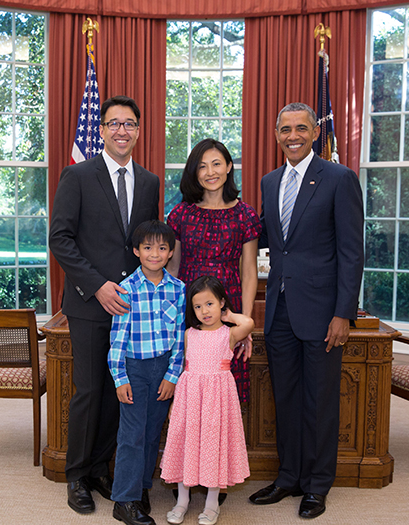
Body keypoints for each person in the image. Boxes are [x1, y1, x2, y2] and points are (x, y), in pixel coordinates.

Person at [249, 103, 364, 519]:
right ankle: (288, 477)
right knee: (287, 398)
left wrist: (342, 313)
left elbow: (352, 252)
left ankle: (317, 486)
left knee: (319, 401)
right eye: (285, 129)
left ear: (315, 132)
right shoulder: (269, 181)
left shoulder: (339, 178)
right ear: (276, 134)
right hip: (279, 309)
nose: (292, 135)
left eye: (300, 128)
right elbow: (264, 234)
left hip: (322, 313)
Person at [49, 96, 160, 514]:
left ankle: (99, 468)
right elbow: (60, 238)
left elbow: (146, 243)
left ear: (138, 130)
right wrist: (97, 286)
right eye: (113, 123)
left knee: (120, 395)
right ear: (101, 130)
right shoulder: (77, 175)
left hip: (133, 309)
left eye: (129, 124)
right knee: (90, 390)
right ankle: (76, 475)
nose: (121, 131)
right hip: (89, 303)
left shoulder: (148, 182)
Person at [166, 138, 261, 403]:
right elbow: (172, 269)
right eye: (202, 166)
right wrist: (172, 319)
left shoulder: (245, 215)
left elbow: (250, 272)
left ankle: (220, 441)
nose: (210, 172)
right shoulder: (181, 214)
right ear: (194, 173)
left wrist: (244, 324)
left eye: (217, 164)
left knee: (224, 379)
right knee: (188, 379)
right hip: (189, 307)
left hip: (227, 305)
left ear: (229, 167)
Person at [108, 220, 185, 525]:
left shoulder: (178, 290)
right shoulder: (125, 289)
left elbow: (180, 336)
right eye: (148, 247)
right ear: (137, 251)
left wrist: (172, 375)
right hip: (134, 369)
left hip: (162, 368)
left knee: (153, 433)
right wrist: (120, 377)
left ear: (170, 253)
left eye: (162, 248)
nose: (155, 253)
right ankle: (124, 500)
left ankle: (141, 488)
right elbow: (118, 338)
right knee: (132, 435)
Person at [161, 276, 253, 525]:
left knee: (215, 447)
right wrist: (173, 404)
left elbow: (249, 322)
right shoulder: (189, 334)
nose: (204, 311)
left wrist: (228, 315)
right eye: (198, 307)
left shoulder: (229, 334)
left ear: (222, 302)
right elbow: (182, 368)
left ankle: (212, 504)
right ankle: (182, 500)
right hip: (189, 397)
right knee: (185, 445)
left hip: (217, 401)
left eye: (210, 304)